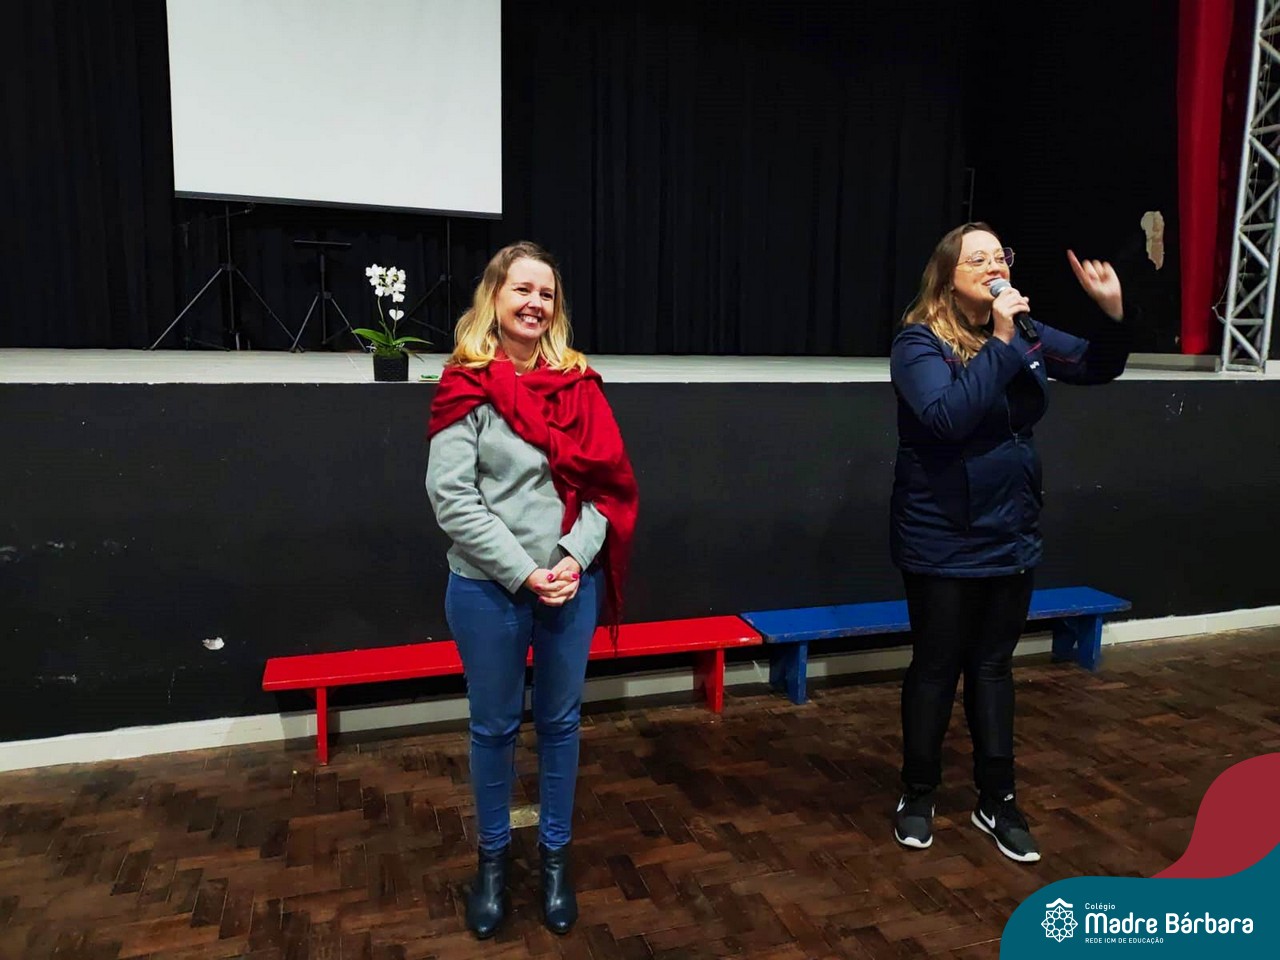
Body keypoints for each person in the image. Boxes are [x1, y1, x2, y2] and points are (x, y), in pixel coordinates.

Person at [888, 222, 1130, 863]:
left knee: (994, 667)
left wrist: (1112, 315)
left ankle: (998, 799)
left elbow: (1097, 365)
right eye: (979, 259)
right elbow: (947, 418)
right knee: (936, 666)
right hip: (941, 534)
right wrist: (1000, 341)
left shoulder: (1023, 330)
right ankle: (918, 792)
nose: (996, 266)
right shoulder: (918, 342)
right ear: (948, 277)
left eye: (1001, 256)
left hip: (1010, 530)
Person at [425, 241, 639, 938]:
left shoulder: (580, 384)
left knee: (560, 726)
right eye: (522, 290)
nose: (534, 304)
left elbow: (608, 488)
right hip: (487, 590)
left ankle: (553, 860)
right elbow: (453, 499)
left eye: (546, 294)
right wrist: (523, 571)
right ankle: (492, 863)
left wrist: (574, 559)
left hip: (570, 584)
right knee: (493, 729)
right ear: (494, 296)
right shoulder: (465, 384)